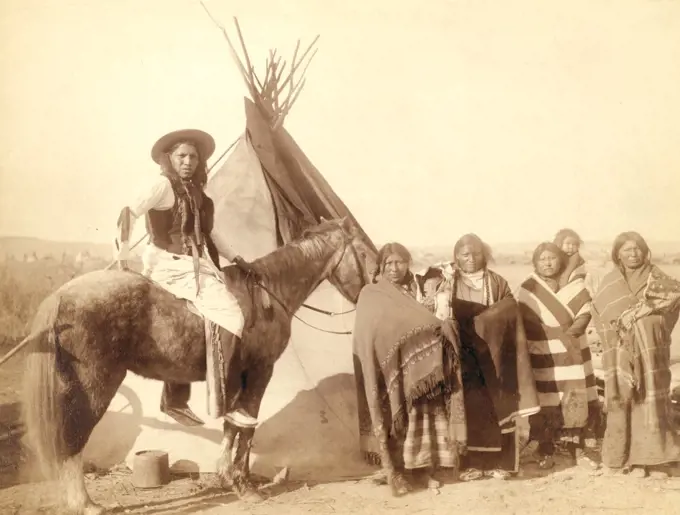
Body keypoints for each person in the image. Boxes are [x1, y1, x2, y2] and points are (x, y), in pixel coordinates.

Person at [114, 128, 258, 429]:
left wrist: (238, 259)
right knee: (232, 316)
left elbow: (210, 234)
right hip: (169, 264)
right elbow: (129, 212)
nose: (188, 161)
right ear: (169, 158)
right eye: (182, 156)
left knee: (195, 323)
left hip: (195, 265)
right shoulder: (161, 186)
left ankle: (175, 400)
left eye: (194, 156)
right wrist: (123, 255)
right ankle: (228, 403)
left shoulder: (197, 193)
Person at [419, 234, 540, 481]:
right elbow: (437, 314)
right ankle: (469, 465)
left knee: (499, 405)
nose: (471, 259)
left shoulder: (497, 282)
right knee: (469, 407)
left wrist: (487, 322)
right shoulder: (446, 282)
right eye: (465, 255)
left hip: (495, 356)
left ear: (484, 255)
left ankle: (501, 465)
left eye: (476, 254)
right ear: (456, 257)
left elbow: (509, 311)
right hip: (463, 355)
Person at [355, 242, 463, 486]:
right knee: (394, 416)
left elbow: (425, 321)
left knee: (420, 415)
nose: (394, 268)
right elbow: (369, 332)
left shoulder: (415, 290)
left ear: (407, 264)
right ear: (381, 266)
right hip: (386, 370)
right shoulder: (371, 294)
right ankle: (395, 470)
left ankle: (422, 471)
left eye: (400, 262)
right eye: (389, 263)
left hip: (418, 369)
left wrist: (442, 328)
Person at [591, 231, 680, 477]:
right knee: (621, 399)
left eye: (637, 249)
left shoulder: (658, 278)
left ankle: (653, 461)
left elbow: (672, 307)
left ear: (645, 251)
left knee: (651, 400)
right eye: (627, 250)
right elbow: (600, 316)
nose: (633, 254)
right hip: (619, 354)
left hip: (651, 350)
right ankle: (619, 459)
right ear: (617, 254)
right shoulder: (609, 283)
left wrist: (646, 325)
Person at [517, 242, 599, 470]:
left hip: (572, 353)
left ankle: (574, 448)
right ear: (535, 263)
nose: (547, 263)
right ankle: (545, 448)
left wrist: (568, 336)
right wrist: (553, 337)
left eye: (551, 258)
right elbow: (525, 321)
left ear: (560, 260)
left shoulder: (575, 284)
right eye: (542, 259)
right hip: (542, 353)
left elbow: (585, 314)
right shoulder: (528, 288)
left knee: (573, 396)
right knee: (547, 400)